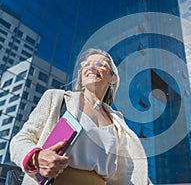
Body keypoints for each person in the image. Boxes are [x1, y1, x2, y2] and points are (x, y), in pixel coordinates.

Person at [10, 48, 150, 185]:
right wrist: (36, 157)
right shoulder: (58, 99)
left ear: (113, 78)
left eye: (101, 64)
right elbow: (20, 141)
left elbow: (131, 174)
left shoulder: (118, 123)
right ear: (82, 76)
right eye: (86, 64)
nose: (92, 67)